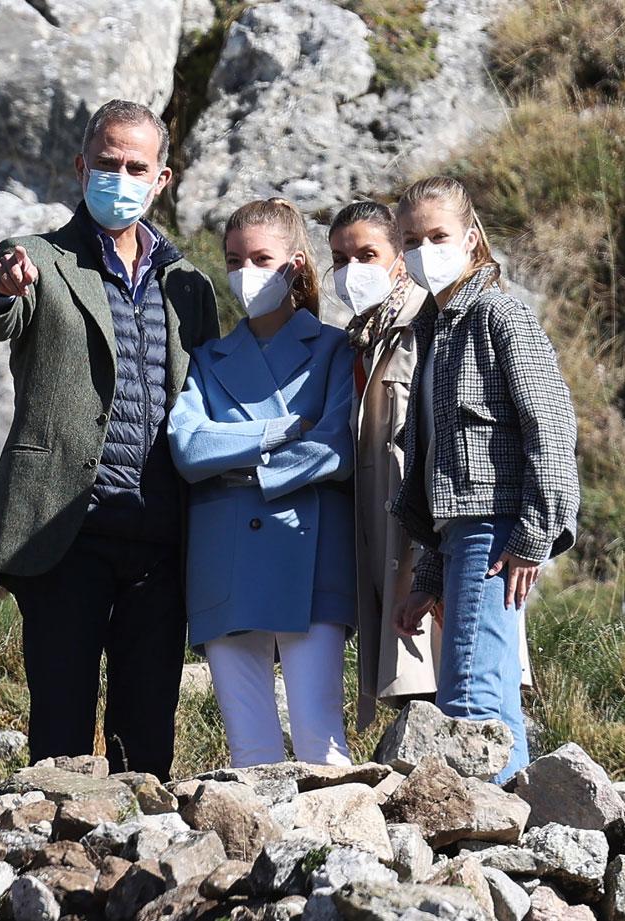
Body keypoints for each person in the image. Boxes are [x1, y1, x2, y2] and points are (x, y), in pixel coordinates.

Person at [0, 99, 219, 779]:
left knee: (146, 738)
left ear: (162, 179)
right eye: (107, 163)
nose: (120, 177)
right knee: (60, 731)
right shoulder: (40, 258)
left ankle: (140, 870)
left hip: (161, 541)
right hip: (65, 532)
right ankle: (55, 868)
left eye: (137, 166)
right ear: (81, 167)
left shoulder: (188, 283)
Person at [390, 176, 579, 784]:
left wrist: (535, 535)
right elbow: (438, 468)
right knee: (495, 703)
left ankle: (471, 850)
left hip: (496, 534)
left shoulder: (500, 314)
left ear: (471, 238)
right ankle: (521, 842)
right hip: (457, 538)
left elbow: (549, 425)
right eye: (412, 239)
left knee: (468, 701)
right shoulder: (432, 328)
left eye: (438, 236)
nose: (426, 250)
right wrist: (427, 573)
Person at [167, 198, 355, 768]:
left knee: (320, 738)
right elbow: (188, 447)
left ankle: (344, 852)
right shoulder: (208, 357)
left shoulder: (336, 348)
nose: (244, 273)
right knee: (249, 749)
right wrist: (277, 431)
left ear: (295, 264)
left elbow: (338, 449)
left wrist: (241, 467)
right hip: (225, 559)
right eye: (233, 260)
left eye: (260, 258)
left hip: (311, 551)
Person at [329, 201, 436, 730]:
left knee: (441, 674)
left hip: (424, 531)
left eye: (367, 254)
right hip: (379, 527)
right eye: (340, 258)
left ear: (398, 255)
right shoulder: (364, 335)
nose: (353, 270)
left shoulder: (425, 321)